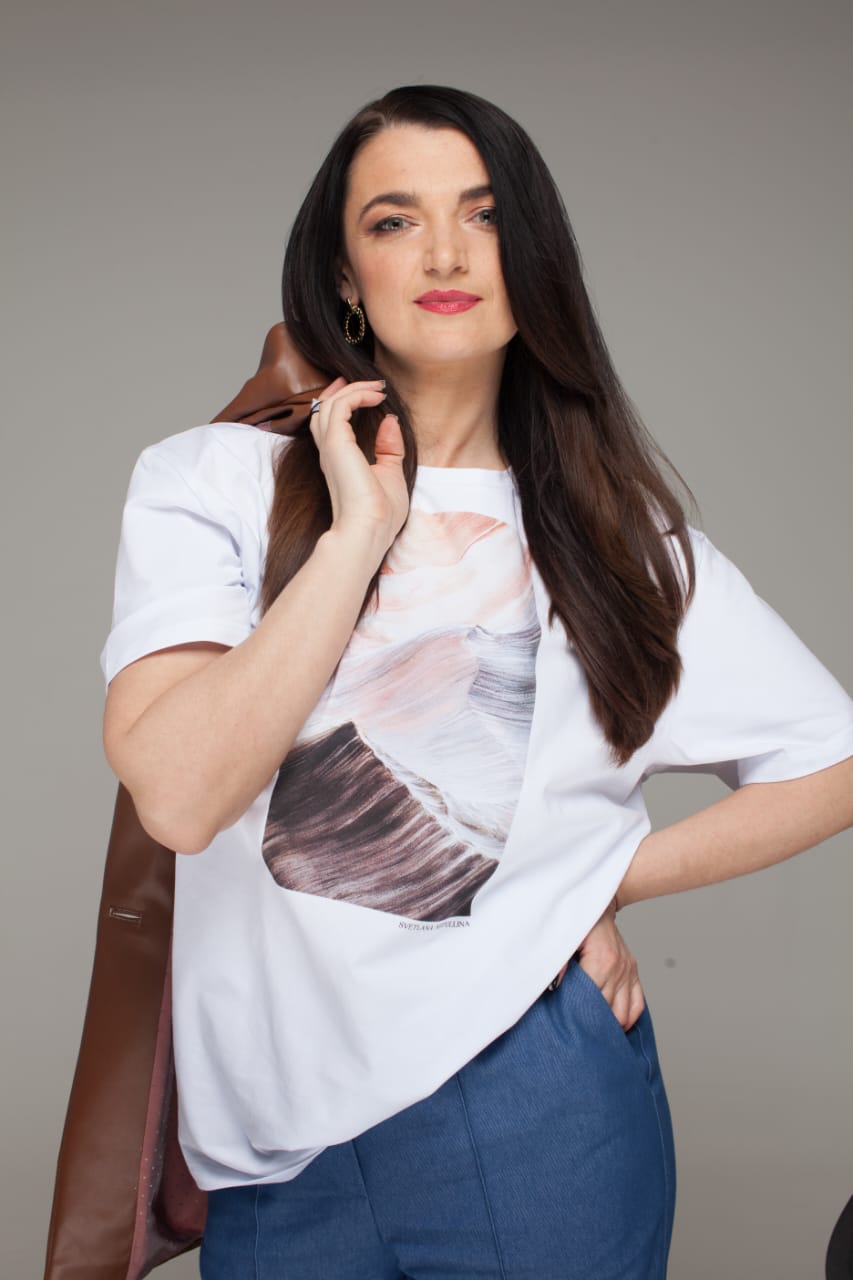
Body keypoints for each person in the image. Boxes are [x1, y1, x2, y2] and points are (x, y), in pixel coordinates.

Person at [99, 84, 853, 1279]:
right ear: (344, 275)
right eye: (394, 220)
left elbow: (831, 759)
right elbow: (183, 798)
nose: (445, 253)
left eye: (485, 215)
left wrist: (593, 882)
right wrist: (357, 534)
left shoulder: (620, 542)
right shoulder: (212, 483)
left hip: (532, 1093)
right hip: (276, 1144)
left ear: (533, 257)